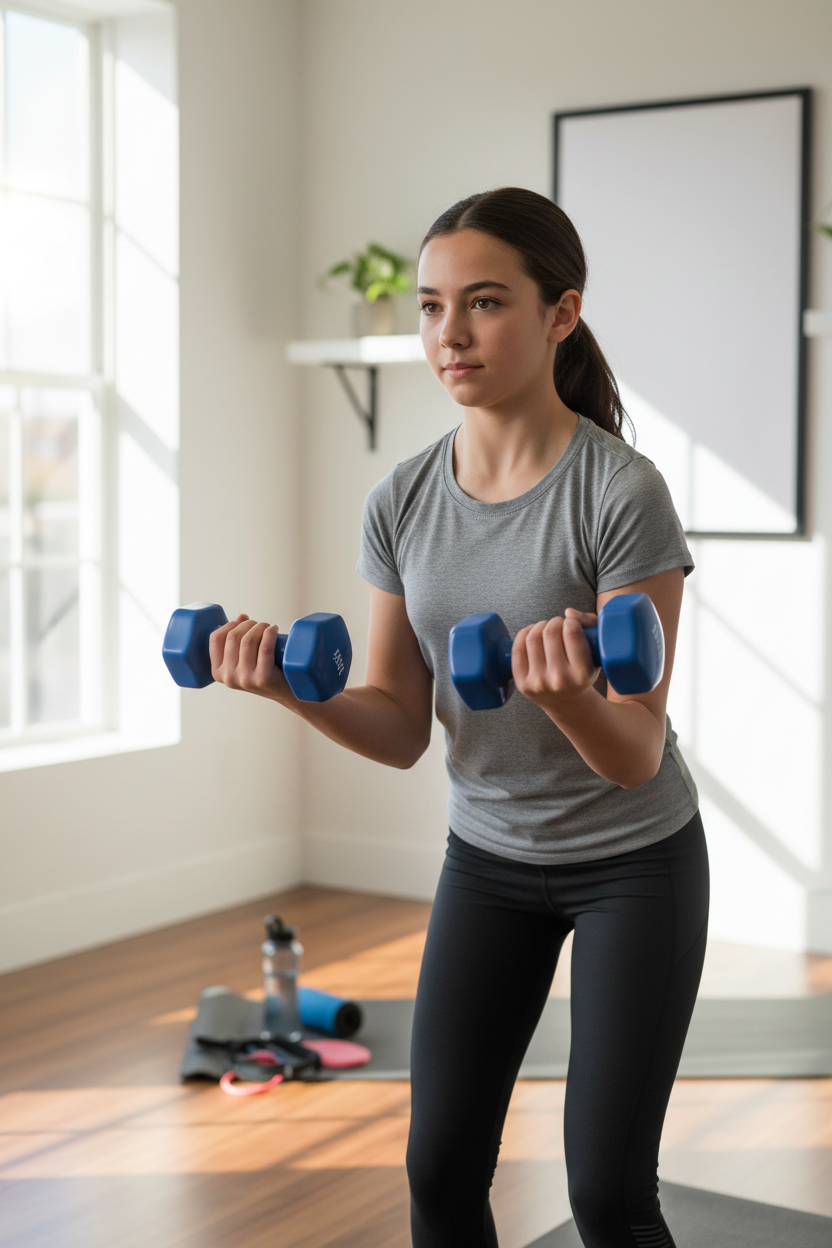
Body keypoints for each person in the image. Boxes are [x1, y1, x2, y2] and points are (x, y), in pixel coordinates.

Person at [209, 187, 708, 1248]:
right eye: (432, 307)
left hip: (633, 860)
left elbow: (633, 749)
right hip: (486, 857)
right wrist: (291, 688)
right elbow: (397, 724)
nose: (451, 334)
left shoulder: (620, 494)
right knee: (438, 1171)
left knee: (608, 1196)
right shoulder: (400, 498)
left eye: (483, 303)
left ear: (559, 315)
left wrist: (569, 695)